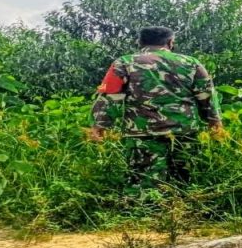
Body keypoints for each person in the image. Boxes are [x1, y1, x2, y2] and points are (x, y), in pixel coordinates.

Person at [89, 26, 224, 192]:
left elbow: (111, 96)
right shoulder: (191, 63)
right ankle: (186, 212)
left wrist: (100, 125)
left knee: (143, 182)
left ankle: (142, 213)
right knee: (185, 181)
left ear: (140, 43)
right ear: (170, 42)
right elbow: (207, 95)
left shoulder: (124, 62)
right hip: (184, 131)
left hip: (142, 134)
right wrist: (214, 122)